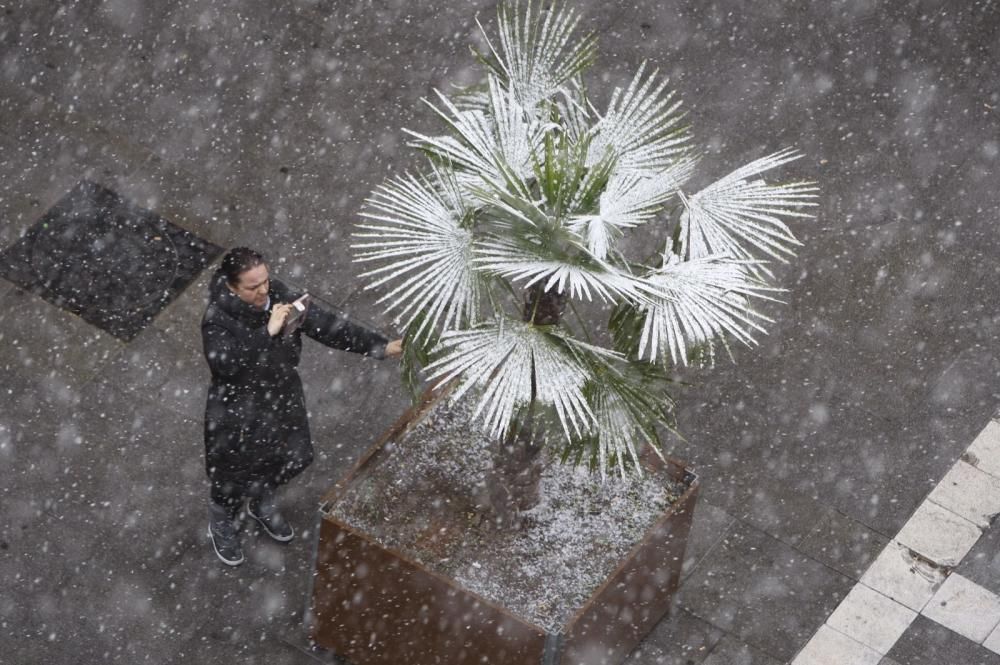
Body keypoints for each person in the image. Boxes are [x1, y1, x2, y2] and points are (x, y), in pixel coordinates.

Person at [201, 247, 402, 566]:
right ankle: (223, 518)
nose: (263, 290)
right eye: (252, 287)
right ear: (231, 287)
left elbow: (328, 325)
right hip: (238, 407)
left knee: (296, 456)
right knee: (231, 475)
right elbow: (227, 365)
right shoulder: (218, 319)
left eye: (265, 281)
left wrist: (379, 346)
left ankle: (261, 496)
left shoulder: (279, 295)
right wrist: (266, 331)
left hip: (281, 393)